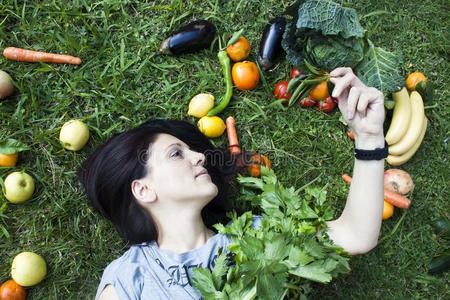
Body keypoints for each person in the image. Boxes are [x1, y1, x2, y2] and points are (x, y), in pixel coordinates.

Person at [79, 68, 386, 300]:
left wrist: (370, 138)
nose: (199, 156)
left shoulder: (255, 238)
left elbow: (355, 235)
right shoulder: (130, 278)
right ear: (143, 189)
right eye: (177, 153)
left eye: (191, 149)